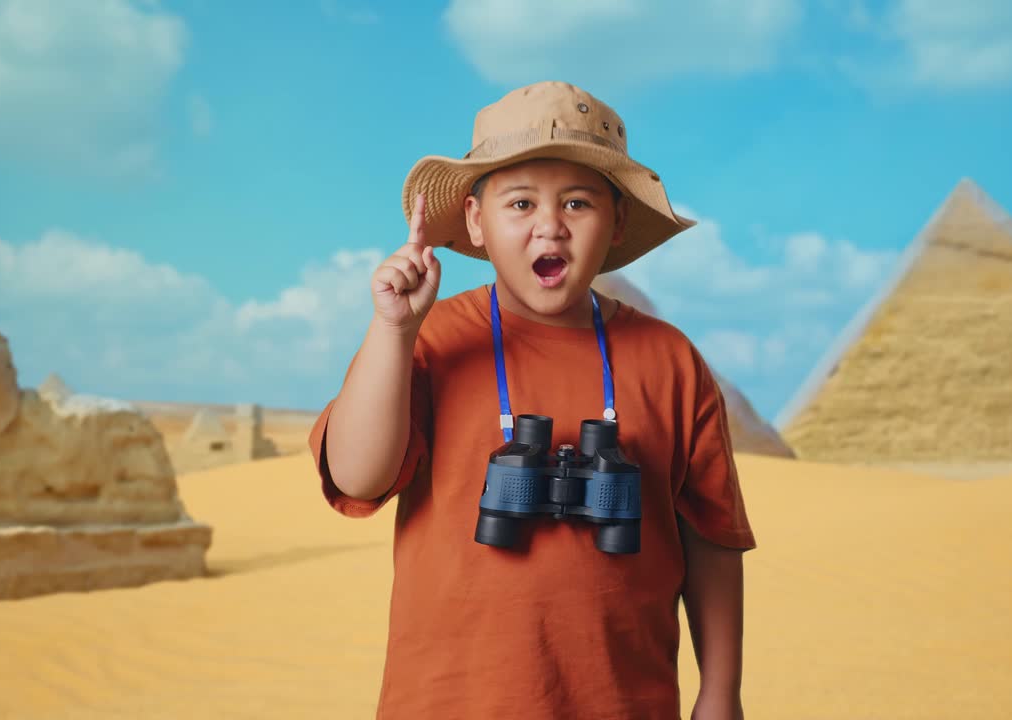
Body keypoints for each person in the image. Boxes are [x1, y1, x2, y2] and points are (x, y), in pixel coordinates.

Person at [308, 81, 755, 719]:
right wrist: (393, 329)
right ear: (474, 221)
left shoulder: (670, 359)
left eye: (578, 203)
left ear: (618, 221)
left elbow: (712, 540)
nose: (550, 226)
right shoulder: (426, 340)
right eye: (520, 203)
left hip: (625, 701)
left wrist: (721, 693)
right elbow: (357, 476)